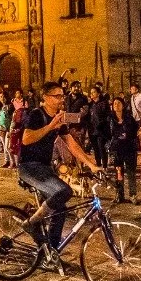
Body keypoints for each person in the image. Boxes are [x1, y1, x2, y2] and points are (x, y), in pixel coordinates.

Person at [18, 82, 100, 254]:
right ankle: (31, 224)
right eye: (57, 96)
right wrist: (50, 126)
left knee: (60, 208)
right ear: (46, 98)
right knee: (64, 191)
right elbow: (26, 139)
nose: (61, 99)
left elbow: (71, 144)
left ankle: (51, 252)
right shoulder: (36, 115)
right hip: (29, 167)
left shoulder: (59, 119)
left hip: (45, 168)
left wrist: (92, 165)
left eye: (62, 96)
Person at [109, 95, 138, 203]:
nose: (116, 105)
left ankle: (133, 194)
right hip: (117, 149)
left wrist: (127, 135)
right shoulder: (110, 119)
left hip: (129, 148)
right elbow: (105, 132)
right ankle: (119, 195)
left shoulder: (129, 118)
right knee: (118, 172)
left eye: (118, 103)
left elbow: (135, 130)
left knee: (131, 172)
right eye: (114, 104)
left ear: (123, 105)